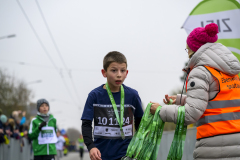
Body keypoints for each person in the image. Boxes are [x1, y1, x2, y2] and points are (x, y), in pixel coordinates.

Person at [150, 23, 240, 160]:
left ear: (194, 48)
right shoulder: (230, 72)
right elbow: (217, 102)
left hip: (214, 147)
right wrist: (181, 99)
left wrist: (160, 110)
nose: (187, 54)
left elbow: (190, 114)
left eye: (187, 49)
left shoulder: (200, 72)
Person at [81, 51, 144, 160]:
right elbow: (86, 124)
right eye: (114, 70)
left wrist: (139, 146)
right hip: (100, 155)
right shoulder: (94, 96)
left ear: (127, 72)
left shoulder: (133, 95)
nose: (119, 74)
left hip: (127, 154)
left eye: (122, 70)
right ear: (104, 72)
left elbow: (141, 122)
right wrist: (91, 147)